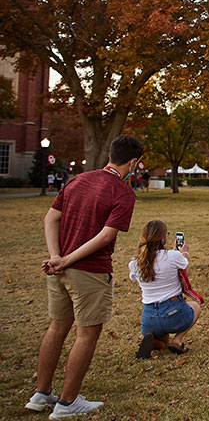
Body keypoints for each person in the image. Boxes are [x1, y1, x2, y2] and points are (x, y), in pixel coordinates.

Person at [26, 135, 143, 418]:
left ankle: (42, 394)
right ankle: (67, 403)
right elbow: (106, 237)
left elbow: (50, 218)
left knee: (56, 328)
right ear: (134, 162)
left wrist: (57, 257)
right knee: (87, 334)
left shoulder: (78, 180)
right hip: (89, 272)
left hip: (60, 270)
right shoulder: (123, 192)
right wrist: (66, 259)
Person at [129, 220, 200, 358]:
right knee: (195, 307)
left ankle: (155, 341)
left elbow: (136, 278)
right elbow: (186, 272)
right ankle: (177, 341)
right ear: (163, 238)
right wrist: (184, 254)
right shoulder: (173, 256)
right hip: (173, 313)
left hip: (149, 319)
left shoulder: (134, 263)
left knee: (162, 340)